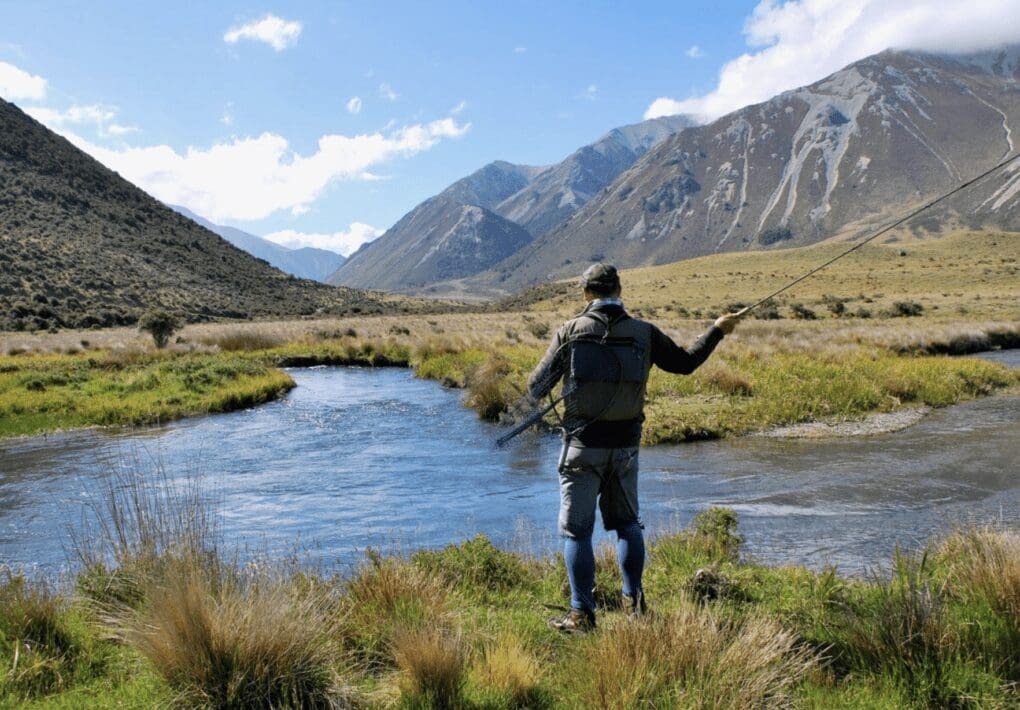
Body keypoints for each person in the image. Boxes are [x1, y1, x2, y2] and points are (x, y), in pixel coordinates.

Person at [527, 263, 744, 633]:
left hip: (581, 448)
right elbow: (686, 364)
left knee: (577, 532)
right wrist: (718, 330)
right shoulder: (645, 333)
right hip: (626, 449)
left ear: (585, 294)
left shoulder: (569, 332)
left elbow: (536, 386)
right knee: (628, 525)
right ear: (620, 288)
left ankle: (582, 615)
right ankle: (635, 606)